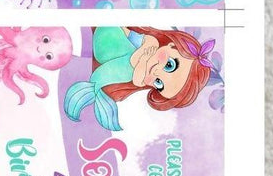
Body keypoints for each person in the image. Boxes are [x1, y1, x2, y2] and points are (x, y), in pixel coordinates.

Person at [63, 25, 215, 131]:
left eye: (159, 83)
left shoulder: (137, 77)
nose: (156, 73)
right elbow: (126, 34)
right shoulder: (151, 41)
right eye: (169, 65)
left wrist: (141, 58)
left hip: (96, 61)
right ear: (171, 45)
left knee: (127, 70)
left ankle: (92, 89)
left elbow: (135, 68)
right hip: (105, 38)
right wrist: (141, 55)